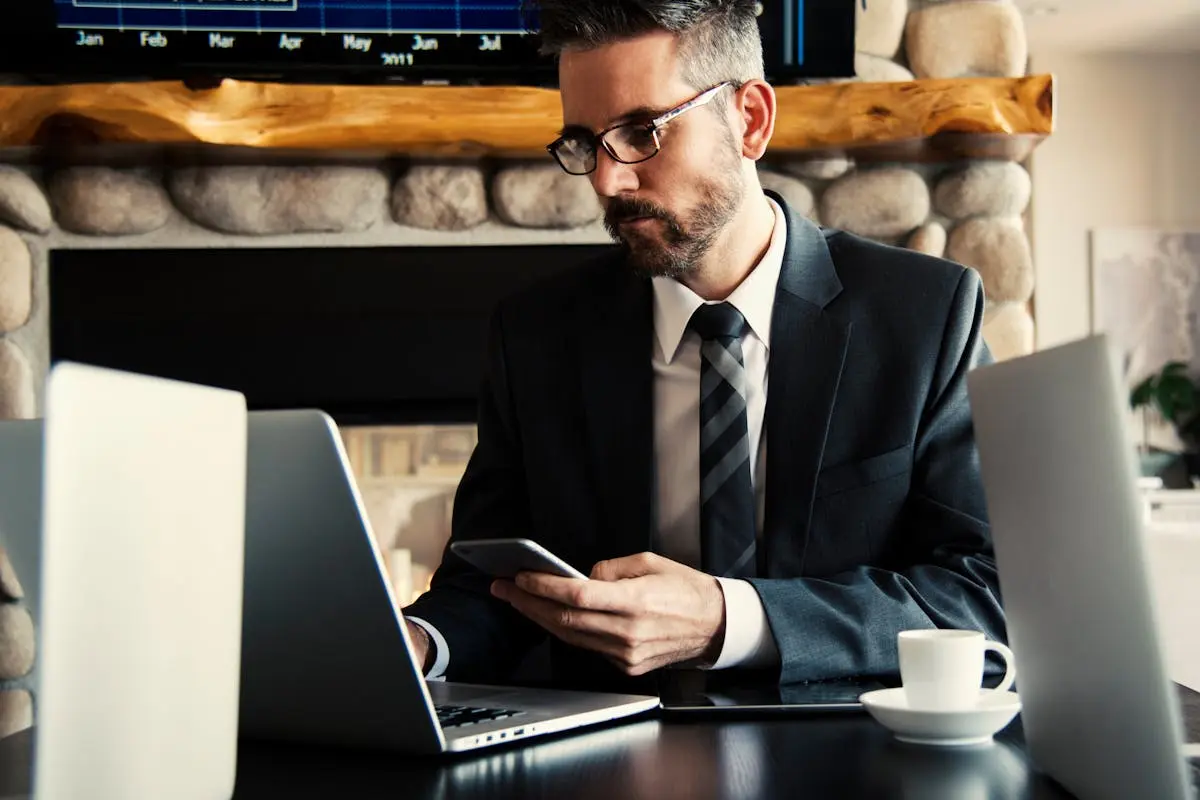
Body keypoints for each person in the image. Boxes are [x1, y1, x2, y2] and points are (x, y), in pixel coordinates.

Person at [403, 0, 1005, 693]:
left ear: (750, 119)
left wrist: (730, 620)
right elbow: (491, 589)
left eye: (640, 132)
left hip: (846, 755)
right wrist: (420, 642)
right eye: (584, 143)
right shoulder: (535, 336)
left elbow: (982, 593)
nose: (608, 180)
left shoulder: (925, 315)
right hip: (612, 764)